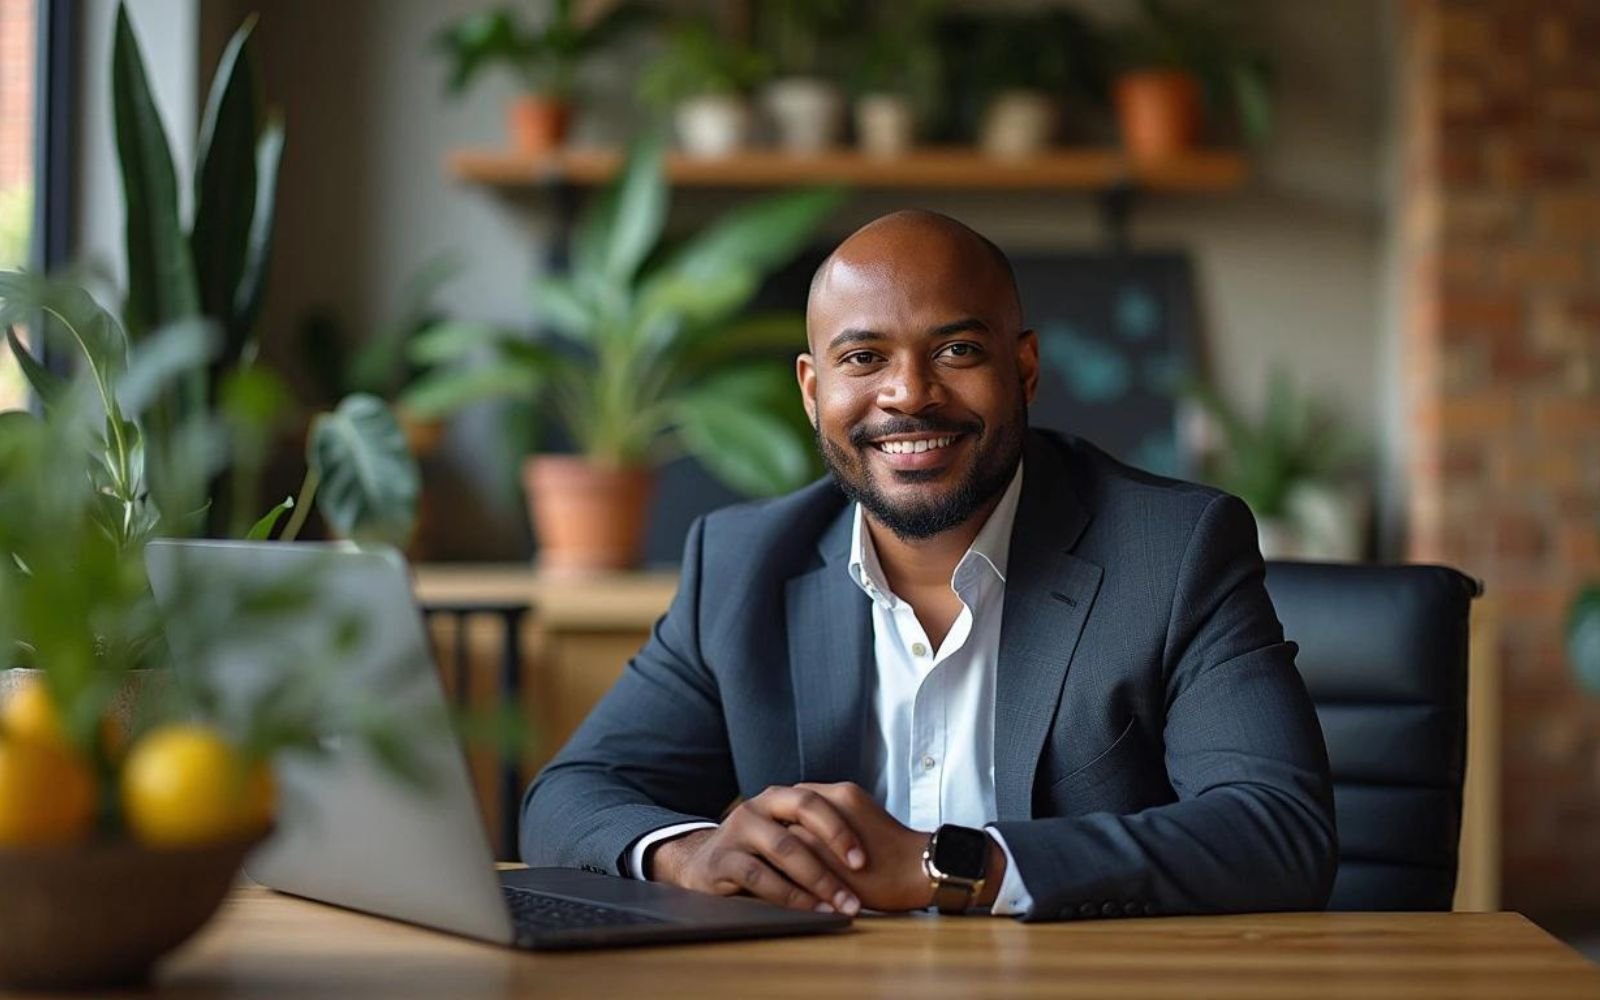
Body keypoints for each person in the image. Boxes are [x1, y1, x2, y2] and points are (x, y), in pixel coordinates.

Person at [521, 210, 1336, 921]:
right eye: (862, 358)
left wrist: (945, 868)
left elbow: (1277, 829)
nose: (908, 394)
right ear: (812, 391)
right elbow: (568, 798)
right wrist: (688, 854)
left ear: (1024, 368)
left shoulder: (1173, 549)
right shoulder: (740, 566)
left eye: (954, 349)